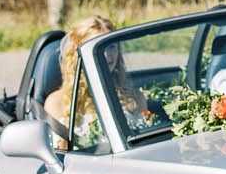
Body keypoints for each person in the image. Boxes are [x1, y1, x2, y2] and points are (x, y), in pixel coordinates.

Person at [41, 14, 147, 150]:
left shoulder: (136, 97)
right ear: (76, 54)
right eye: (98, 48)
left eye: (112, 46)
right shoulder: (56, 103)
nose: (108, 55)